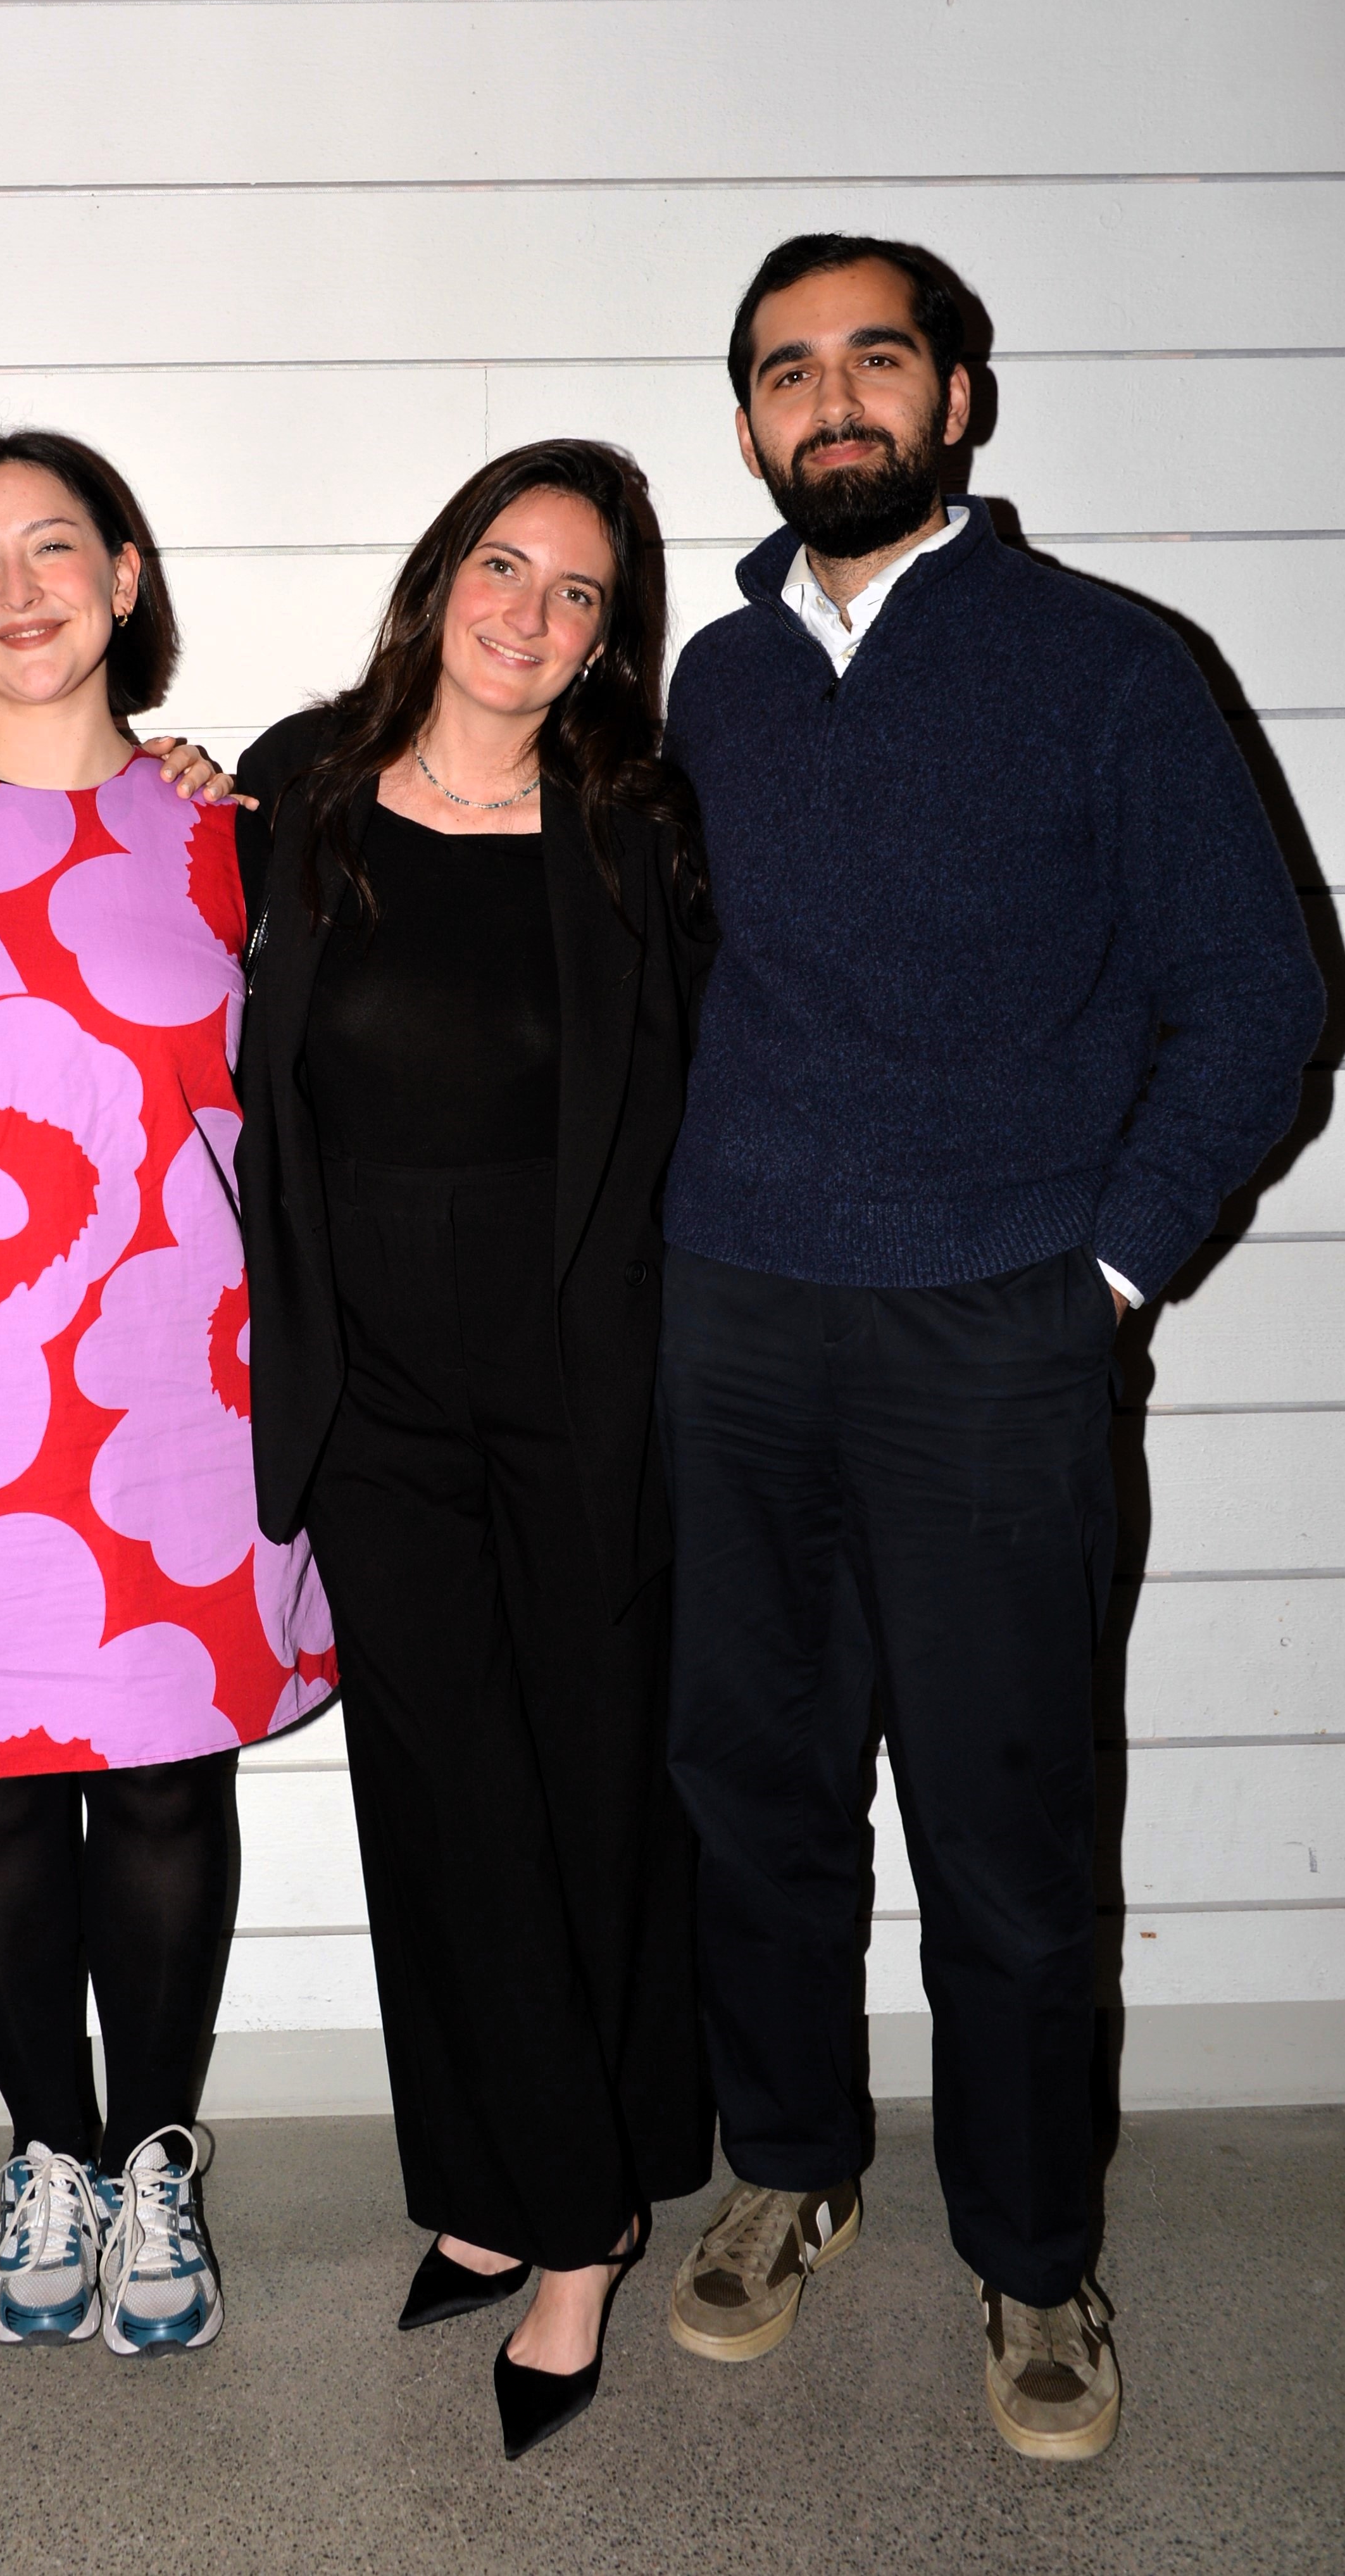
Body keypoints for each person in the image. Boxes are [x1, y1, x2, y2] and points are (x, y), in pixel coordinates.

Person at [656, 234, 1326, 2461]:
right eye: (788, 371)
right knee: (752, 1794)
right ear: (747, 422)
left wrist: (1108, 1273)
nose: (832, 398)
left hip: (999, 1338)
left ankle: (1037, 2259)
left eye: (878, 357)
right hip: (736, 1319)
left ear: (959, 397)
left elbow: (1261, 996)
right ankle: (788, 2160)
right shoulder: (714, 683)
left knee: (1010, 1832)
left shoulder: (1110, 665)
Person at [0, 428, 333, 2361]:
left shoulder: (235, 830)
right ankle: (50, 2149)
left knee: (171, 1776)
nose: (19, 588)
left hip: (172, 1388)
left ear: (124, 576)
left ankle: (153, 2154)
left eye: (56, 547)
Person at [233, 439, 715, 2458]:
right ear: (442, 577)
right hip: (371, 1381)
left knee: (583, 1790)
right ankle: (496, 2177)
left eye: (577, 592)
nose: (529, 613)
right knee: (438, 1793)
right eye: (505, 566)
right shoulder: (296, 785)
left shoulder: (635, 823)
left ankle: (582, 2216)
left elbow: (700, 1090)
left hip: (581, 1374)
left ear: (608, 642)